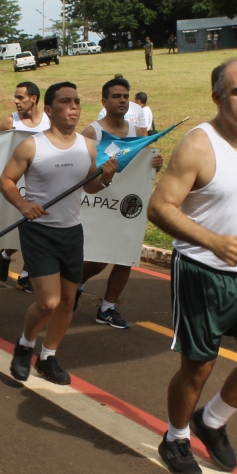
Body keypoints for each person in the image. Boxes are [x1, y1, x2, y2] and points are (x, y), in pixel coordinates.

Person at [147, 58, 237, 474]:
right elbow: (159, 207)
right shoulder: (198, 145)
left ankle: (210, 421)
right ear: (217, 98)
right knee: (199, 366)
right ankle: (175, 437)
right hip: (202, 273)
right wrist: (211, 241)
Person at [2, 82, 118, 385]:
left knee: (68, 301)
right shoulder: (32, 145)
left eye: (77, 101)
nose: (74, 107)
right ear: (50, 110)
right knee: (49, 302)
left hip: (71, 231)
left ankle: (48, 357)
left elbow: (89, 186)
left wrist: (105, 179)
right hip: (39, 232)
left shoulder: (87, 146)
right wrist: (24, 205)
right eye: (66, 101)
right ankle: (24, 346)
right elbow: (7, 181)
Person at [76, 78, 163, 327]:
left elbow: (142, 169)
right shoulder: (92, 132)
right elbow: (80, 169)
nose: (123, 100)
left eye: (125, 96)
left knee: (125, 255)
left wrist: (155, 163)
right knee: (97, 260)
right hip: (98, 204)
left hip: (126, 207)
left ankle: (107, 307)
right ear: (104, 101)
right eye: (116, 96)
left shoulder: (139, 133)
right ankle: (77, 285)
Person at [0, 81, 51, 293]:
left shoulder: (49, 120)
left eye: (21, 98)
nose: (16, 102)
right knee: (22, 228)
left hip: (42, 181)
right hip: (16, 181)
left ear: (34, 99)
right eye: (15, 98)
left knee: (38, 227)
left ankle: (26, 274)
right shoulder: (11, 121)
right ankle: (6, 254)